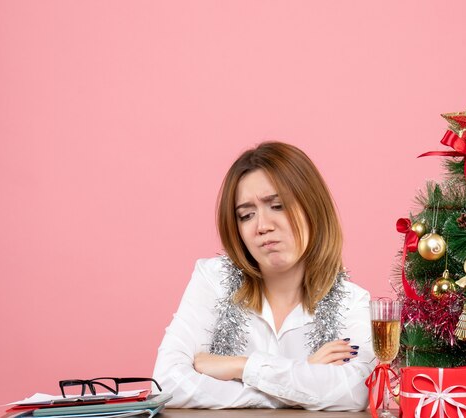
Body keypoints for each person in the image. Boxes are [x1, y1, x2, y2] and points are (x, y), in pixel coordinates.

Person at [153, 141, 375, 410]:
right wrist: (300, 382)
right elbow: (167, 382)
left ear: (312, 207)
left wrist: (242, 367)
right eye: (246, 215)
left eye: (278, 206)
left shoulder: (352, 302)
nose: (262, 226)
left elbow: (358, 392)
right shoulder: (212, 280)